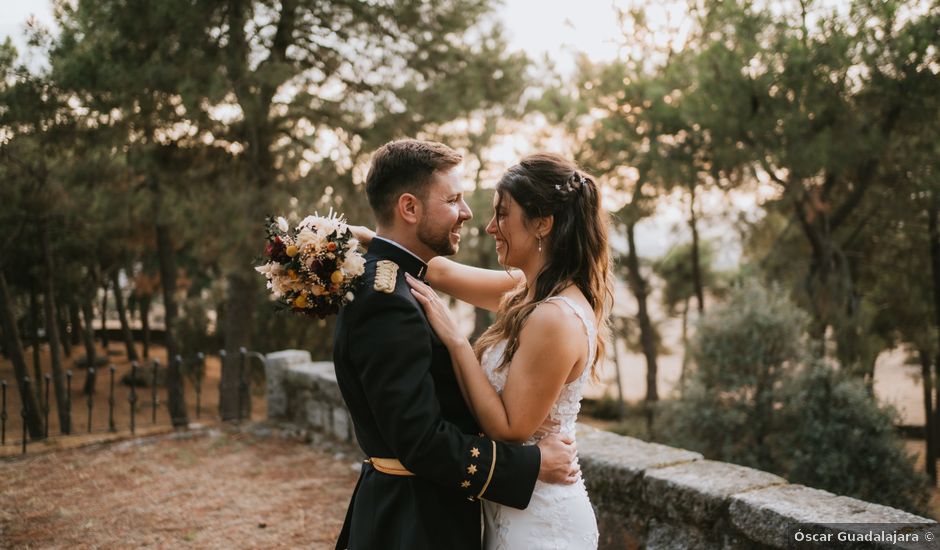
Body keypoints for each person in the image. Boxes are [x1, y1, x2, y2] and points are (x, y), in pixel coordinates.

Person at [333, 140, 580, 550]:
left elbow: (444, 273)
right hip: (412, 525)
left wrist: (374, 242)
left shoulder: (395, 282)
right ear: (410, 208)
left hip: (423, 514)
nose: (471, 215)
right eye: (454, 200)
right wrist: (532, 463)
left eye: (501, 214)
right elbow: (420, 441)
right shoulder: (387, 298)